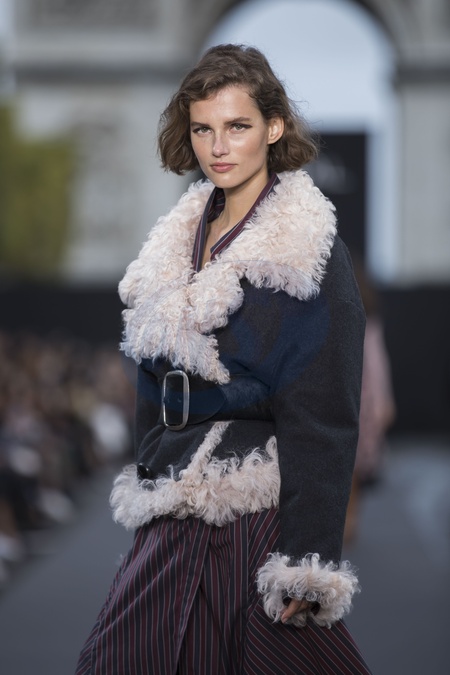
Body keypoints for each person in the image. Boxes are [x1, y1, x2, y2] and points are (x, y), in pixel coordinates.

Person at [76, 44, 371, 675]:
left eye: (237, 126)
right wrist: (152, 471)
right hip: (171, 505)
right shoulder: (170, 245)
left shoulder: (309, 253)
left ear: (274, 127)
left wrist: (307, 560)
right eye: (203, 129)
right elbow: (152, 382)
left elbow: (324, 412)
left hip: (254, 515)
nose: (218, 146)